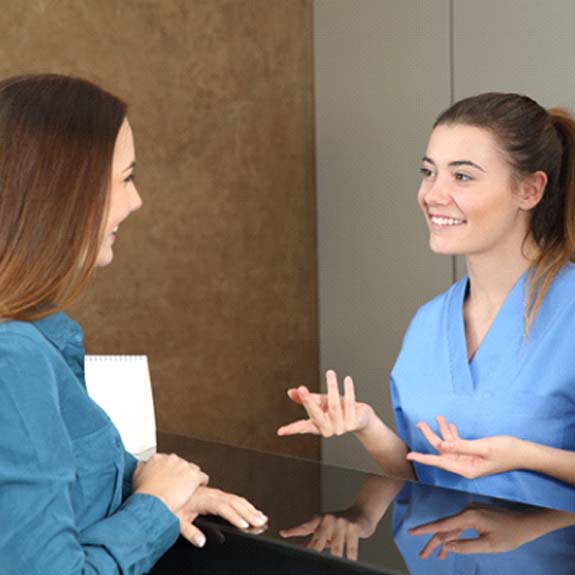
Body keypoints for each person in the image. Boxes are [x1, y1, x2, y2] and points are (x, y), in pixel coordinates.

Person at [0, 74, 267, 574]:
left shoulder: (37, 337)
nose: (137, 201)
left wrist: (155, 484)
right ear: (61, 196)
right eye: (125, 178)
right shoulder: (12, 360)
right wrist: (154, 510)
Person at [278, 92, 575, 511]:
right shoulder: (428, 323)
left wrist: (525, 455)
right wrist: (368, 426)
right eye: (428, 172)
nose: (433, 195)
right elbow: (422, 477)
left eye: (463, 177)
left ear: (529, 189)